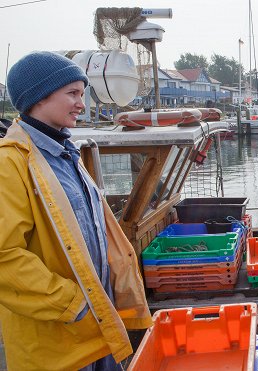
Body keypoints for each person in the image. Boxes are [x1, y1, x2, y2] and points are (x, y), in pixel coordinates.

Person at [0, 51, 152, 370]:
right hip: (60, 342)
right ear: (38, 96)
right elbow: (5, 256)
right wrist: (74, 303)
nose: (81, 104)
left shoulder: (67, 156)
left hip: (100, 325)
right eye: (72, 93)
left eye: (81, 94)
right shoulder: (9, 164)